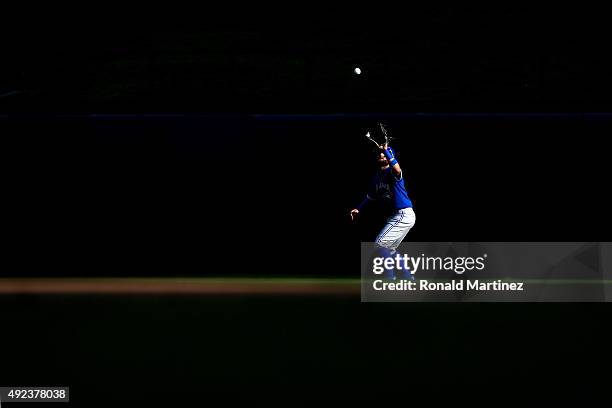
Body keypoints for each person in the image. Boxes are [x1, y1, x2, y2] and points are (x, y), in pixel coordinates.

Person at [350, 142, 416, 280]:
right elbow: (370, 197)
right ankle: (408, 278)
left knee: (380, 243)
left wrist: (387, 151)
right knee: (390, 249)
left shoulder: (392, 172)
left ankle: (389, 278)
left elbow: (398, 170)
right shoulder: (376, 177)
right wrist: (358, 209)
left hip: (403, 213)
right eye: (380, 154)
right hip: (397, 215)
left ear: (389, 156)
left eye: (384, 155)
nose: (382, 156)